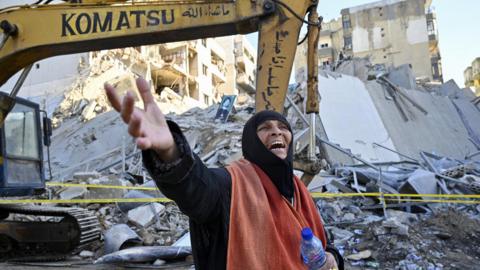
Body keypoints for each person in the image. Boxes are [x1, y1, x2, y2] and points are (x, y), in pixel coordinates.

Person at [104, 78, 342, 270]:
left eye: (283, 128)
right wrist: (171, 152)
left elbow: (325, 244)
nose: (276, 132)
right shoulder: (232, 185)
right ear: (251, 142)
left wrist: (332, 259)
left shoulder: (300, 193)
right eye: (265, 128)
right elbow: (197, 190)